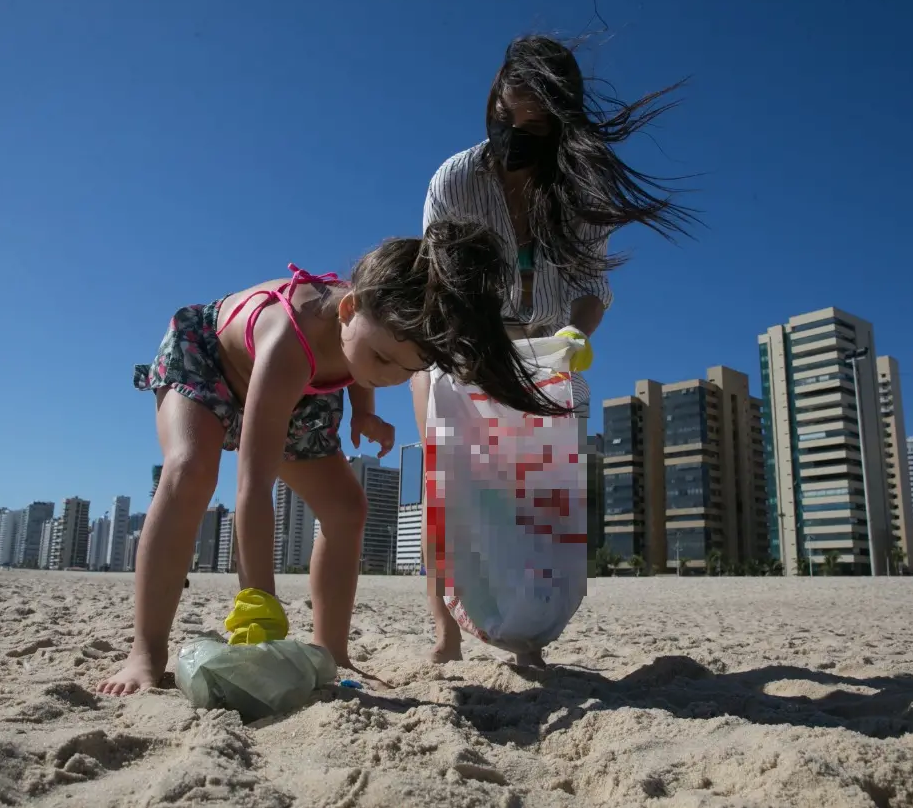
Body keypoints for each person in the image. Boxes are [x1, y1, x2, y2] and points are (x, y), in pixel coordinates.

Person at [97, 220, 570, 697]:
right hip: (212, 361)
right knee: (190, 471)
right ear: (349, 307)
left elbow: (363, 365)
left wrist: (365, 413)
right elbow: (253, 487)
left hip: (306, 392)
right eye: (383, 360)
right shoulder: (289, 337)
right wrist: (257, 608)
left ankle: (332, 652)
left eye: (405, 371)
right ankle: (145, 651)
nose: (388, 376)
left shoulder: (369, 333)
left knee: (347, 510)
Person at [412, 35, 696, 664]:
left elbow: (593, 287)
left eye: (535, 126)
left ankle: (526, 634)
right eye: (508, 116)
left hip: (546, 353)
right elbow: (442, 285)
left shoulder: (578, 192)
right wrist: (475, 354)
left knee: (535, 501)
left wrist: (573, 334)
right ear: (493, 101)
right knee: (449, 488)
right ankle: (446, 629)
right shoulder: (455, 180)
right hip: (463, 345)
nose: (516, 134)